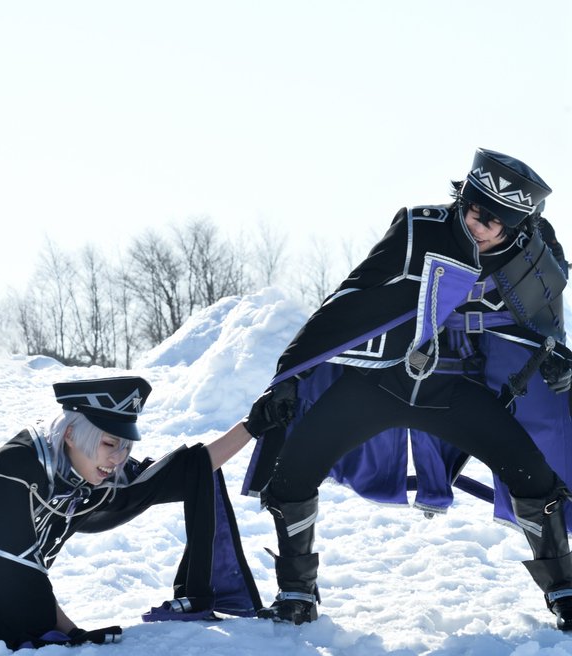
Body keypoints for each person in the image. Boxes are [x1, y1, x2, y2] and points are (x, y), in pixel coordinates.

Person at [243, 148, 572, 631]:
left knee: (535, 477)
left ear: (517, 226)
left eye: (494, 222)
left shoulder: (533, 252)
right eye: (474, 211)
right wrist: (288, 376)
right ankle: (296, 594)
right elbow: (349, 297)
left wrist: (553, 354)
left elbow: (539, 323)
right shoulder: (420, 227)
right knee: (292, 472)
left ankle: (564, 591)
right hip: (378, 382)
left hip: (452, 390)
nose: (479, 225)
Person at [0, 375, 264, 649]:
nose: (118, 458)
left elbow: (178, 473)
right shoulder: (17, 467)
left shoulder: (86, 474)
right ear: (72, 435)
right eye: (109, 443)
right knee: (8, 633)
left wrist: (251, 427)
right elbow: (21, 572)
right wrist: (70, 631)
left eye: (125, 446)